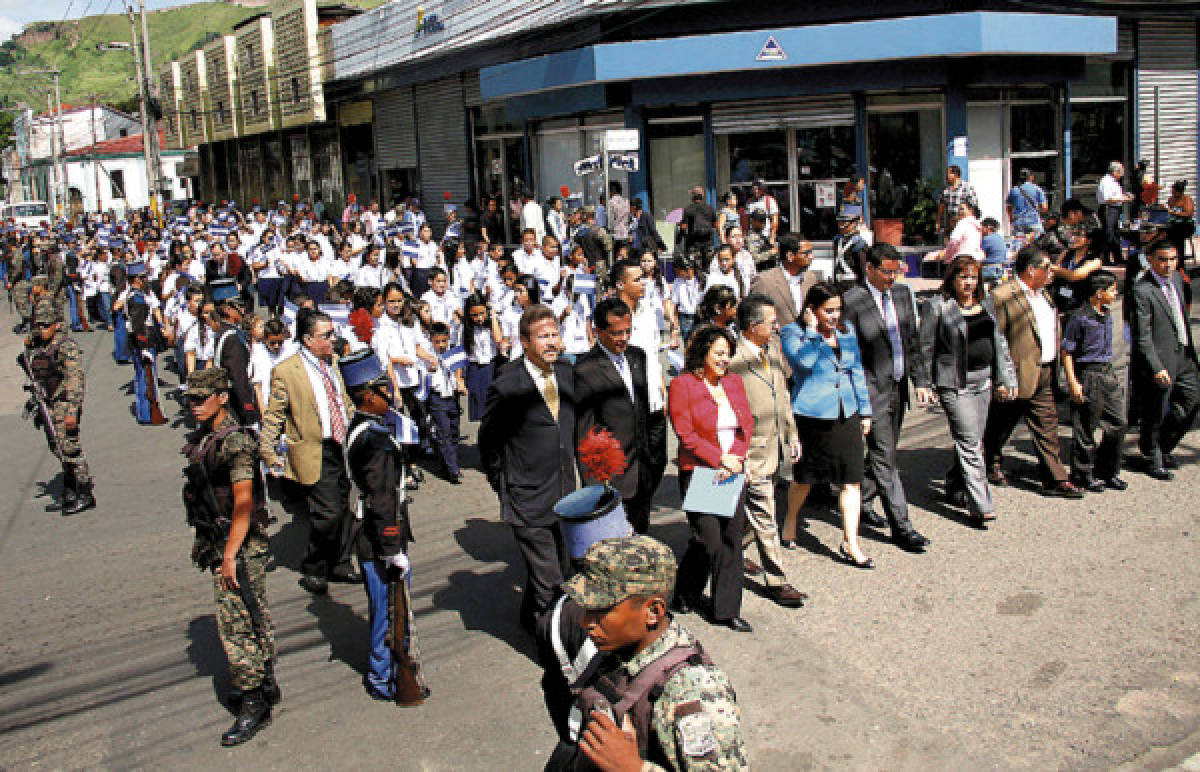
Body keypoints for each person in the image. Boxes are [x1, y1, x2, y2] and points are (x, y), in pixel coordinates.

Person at [543, 535, 748, 771]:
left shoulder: (691, 689)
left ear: (653, 611)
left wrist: (633, 768)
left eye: (600, 610)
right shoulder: (621, 648)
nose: (585, 622)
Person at [181, 366, 279, 746]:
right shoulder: (211, 437)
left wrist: (229, 556)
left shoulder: (234, 443)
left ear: (222, 398)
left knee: (237, 625)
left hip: (236, 545)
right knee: (251, 617)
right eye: (189, 400)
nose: (193, 407)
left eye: (199, 399)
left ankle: (254, 701)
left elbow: (243, 502)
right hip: (221, 542)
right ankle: (265, 685)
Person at [478, 304, 577, 632]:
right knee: (553, 583)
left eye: (554, 335)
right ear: (524, 342)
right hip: (527, 497)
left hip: (564, 493)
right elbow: (489, 441)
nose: (551, 342)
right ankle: (556, 655)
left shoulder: (565, 373)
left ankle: (528, 618)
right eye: (543, 337)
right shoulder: (509, 385)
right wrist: (504, 481)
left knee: (556, 568)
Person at [840, 244, 934, 551]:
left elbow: (912, 341)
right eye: (886, 272)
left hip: (897, 386)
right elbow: (849, 354)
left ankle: (864, 500)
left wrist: (920, 380)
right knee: (885, 460)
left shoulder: (904, 295)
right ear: (870, 269)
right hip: (871, 392)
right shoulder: (852, 302)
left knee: (886, 452)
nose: (892, 278)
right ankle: (902, 527)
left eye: (897, 272)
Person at [259, 310, 360, 594]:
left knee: (345, 507)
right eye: (326, 335)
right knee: (328, 512)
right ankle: (314, 567)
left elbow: (342, 400)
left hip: (341, 446)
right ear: (307, 339)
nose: (332, 340)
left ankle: (340, 562)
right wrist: (267, 451)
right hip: (314, 450)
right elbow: (274, 415)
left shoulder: (334, 362)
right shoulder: (287, 371)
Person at [338, 350, 416, 701]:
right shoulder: (376, 444)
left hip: (371, 533)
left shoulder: (362, 428)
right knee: (389, 611)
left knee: (387, 608)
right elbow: (382, 500)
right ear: (368, 395)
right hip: (379, 539)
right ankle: (383, 677)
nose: (391, 394)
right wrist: (393, 549)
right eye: (384, 388)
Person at [779, 281, 874, 567]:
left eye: (838, 310)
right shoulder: (792, 332)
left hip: (846, 412)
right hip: (812, 414)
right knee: (804, 478)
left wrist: (865, 411)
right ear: (812, 309)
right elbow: (802, 365)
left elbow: (856, 370)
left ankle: (851, 541)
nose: (834, 316)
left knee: (852, 479)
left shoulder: (846, 331)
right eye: (828, 311)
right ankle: (791, 518)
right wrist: (811, 332)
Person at [667, 324, 754, 632]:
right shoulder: (683, 385)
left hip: (732, 471)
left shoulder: (734, 383)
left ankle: (726, 609)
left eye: (728, 354)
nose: (724, 360)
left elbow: (747, 425)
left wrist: (736, 459)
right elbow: (686, 434)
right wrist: (719, 459)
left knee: (731, 540)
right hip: (702, 472)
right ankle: (685, 590)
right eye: (718, 353)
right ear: (702, 353)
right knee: (708, 541)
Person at [919, 256, 1017, 524]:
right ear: (952, 278)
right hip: (954, 384)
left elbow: (998, 342)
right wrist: (923, 384)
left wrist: (1004, 378)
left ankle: (955, 483)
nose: (969, 283)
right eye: (963, 277)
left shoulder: (985, 303)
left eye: (973, 277)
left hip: (983, 381)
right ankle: (981, 504)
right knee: (970, 443)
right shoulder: (937, 306)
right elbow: (926, 348)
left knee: (973, 438)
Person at [982, 246, 1085, 498]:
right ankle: (988, 465)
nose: (1052, 272)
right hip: (1015, 375)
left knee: (1046, 425)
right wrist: (1001, 379)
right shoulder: (1002, 296)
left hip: (1045, 371)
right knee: (999, 424)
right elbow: (995, 340)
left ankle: (1055, 479)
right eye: (1047, 267)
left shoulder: (1044, 295)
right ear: (1031, 270)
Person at [728, 294, 807, 607]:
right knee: (766, 516)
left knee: (754, 514)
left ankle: (729, 553)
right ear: (751, 326)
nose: (776, 327)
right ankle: (777, 581)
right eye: (771, 322)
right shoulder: (733, 361)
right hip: (752, 452)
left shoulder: (771, 350)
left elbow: (782, 396)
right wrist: (739, 455)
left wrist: (792, 434)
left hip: (774, 447)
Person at [574, 297, 657, 534]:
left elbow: (641, 410)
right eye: (616, 333)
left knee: (641, 537)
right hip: (612, 477)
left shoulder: (637, 357)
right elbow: (585, 433)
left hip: (641, 471)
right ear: (598, 331)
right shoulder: (585, 370)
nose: (623, 338)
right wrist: (596, 486)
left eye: (628, 331)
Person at [1131, 240, 1200, 480]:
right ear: (1151, 260)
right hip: (1159, 361)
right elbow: (1143, 335)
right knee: (1155, 412)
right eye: (1162, 259)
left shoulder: (1178, 280)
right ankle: (1152, 457)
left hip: (1184, 355)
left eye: (1172, 259)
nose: (1168, 265)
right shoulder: (1142, 290)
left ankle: (1163, 446)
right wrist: (1156, 366)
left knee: (1191, 403)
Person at [23, 296, 95, 515]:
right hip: (48, 404)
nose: (42, 329)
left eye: (46, 325)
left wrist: (72, 411)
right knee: (57, 447)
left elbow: (75, 380)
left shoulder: (66, 346)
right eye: (39, 325)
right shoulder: (40, 344)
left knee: (70, 448)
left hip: (64, 403)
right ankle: (69, 491)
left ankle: (85, 492)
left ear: (55, 324)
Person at [1061, 271, 1127, 491]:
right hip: (1088, 375)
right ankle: (1082, 474)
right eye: (1112, 289)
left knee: (1118, 423)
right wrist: (1073, 382)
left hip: (1108, 374)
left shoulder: (1106, 314)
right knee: (1086, 429)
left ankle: (1108, 471)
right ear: (1099, 293)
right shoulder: (1079, 318)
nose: (1115, 293)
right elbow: (1067, 352)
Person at [210, 278, 262, 427]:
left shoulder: (225, 331)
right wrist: (248, 408)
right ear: (227, 309)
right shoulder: (231, 337)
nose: (243, 310)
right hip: (235, 401)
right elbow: (238, 376)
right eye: (239, 305)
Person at [748, 234, 815, 335]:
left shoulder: (811, 278)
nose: (811, 257)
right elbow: (753, 315)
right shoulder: (765, 281)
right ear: (790, 256)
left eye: (811, 252)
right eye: (806, 253)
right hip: (778, 344)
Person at [427, 321, 467, 483]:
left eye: (444, 341)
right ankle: (453, 469)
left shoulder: (452, 353)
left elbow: (459, 368)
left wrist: (460, 381)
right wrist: (431, 368)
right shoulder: (429, 357)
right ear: (431, 341)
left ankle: (447, 463)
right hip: (437, 399)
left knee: (454, 431)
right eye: (437, 342)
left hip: (452, 397)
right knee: (444, 433)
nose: (441, 345)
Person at [1096, 161, 1133, 266]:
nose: (1122, 174)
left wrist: (1123, 197)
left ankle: (1118, 258)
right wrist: (1123, 198)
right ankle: (1106, 259)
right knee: (1109, 234)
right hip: (1109, 209)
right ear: (1114, 171)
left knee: (1115, 234)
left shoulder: (1113, 181)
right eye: (1120, 172)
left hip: (1115, 209)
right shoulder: (1106, 181)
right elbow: (1108, 199)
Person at [937, 165, 979, 239]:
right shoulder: (946, 189)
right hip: (950, 221)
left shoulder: (966, 187)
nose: (947, 176)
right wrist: (938, 221)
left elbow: (974, 205)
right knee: (950, 243)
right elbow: (941, 206)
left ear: (956, 175)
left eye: (949, 173)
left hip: (963, 221)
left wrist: (972, 221)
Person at [1006, 168, 1049, 238]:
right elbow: (1044, 208)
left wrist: (1011, 219)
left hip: (1019, 223)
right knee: (1037, 246)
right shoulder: (1037, 189)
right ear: (1031, 177)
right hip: (1034, 222)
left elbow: (1008, 208)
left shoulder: (1014, 190)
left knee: (1019, 246)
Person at [681, 186, 717, 263]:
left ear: (693, 197)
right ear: (703, 196)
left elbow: (683, 227)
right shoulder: (710, 208)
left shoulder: (688, 209)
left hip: (693, 244)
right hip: (708, 243)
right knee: (709, 267)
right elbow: (715, 225)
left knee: (695, 268)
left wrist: (682, 235)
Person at [1166, 179, 1195, 261]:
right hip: (1173, 225)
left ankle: (1180, 260)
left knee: (1178, 234)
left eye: (1175, 192)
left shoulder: (1187, 200)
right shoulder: (1171, 199)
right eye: (1172, 192)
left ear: (1180, 192)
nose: (1173, 194)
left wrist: (1174, 212)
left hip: (1186, 226)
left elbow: (1189, 213)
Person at [745, 179, 780, 244]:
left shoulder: (770, 200)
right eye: (754, 189)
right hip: (753, 236)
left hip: (767, 235)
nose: (756, 191)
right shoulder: (749, 202)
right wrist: (745, 234)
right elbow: (746, 220)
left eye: (759, 189)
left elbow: (775, 220)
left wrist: (772, 237)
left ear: (764, 189)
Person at [607, 182, 630, 248]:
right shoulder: (626, 201)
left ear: (611, 191)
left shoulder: (611, 202)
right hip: (625, 233)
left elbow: (610, 220)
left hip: (615, 234)